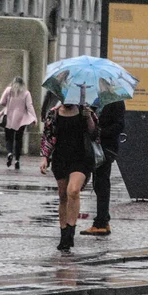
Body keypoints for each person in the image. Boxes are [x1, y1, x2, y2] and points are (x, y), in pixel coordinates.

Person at [40, 102, 98, 252]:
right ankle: (63, 233)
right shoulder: (54, 113)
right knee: (63, 196)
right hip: (61, 159)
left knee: (73, 191)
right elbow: (48, 137)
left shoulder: (84, 110)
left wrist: (88, 118)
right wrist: (45, 158)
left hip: (81, 158)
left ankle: (70, 233)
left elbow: (95, 133)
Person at [80, 101, 125, 236]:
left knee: (101, 182)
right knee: (99, 183)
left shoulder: (116, 102)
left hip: (106, 148)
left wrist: (100, 133)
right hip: (93, 146)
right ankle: (103, 219)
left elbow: (119, 125)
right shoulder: (93, 100)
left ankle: (101, 223)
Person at [0, 77, 37, 170]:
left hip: (8, 116)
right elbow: (29, 106)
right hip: (21, 119)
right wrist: (34, 118)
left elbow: (2, 102)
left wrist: (9, 103)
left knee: (9, 138)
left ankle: (9, 153)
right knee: (18, 139)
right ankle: (17, 160)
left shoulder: (9, 90)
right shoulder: (26, 93)